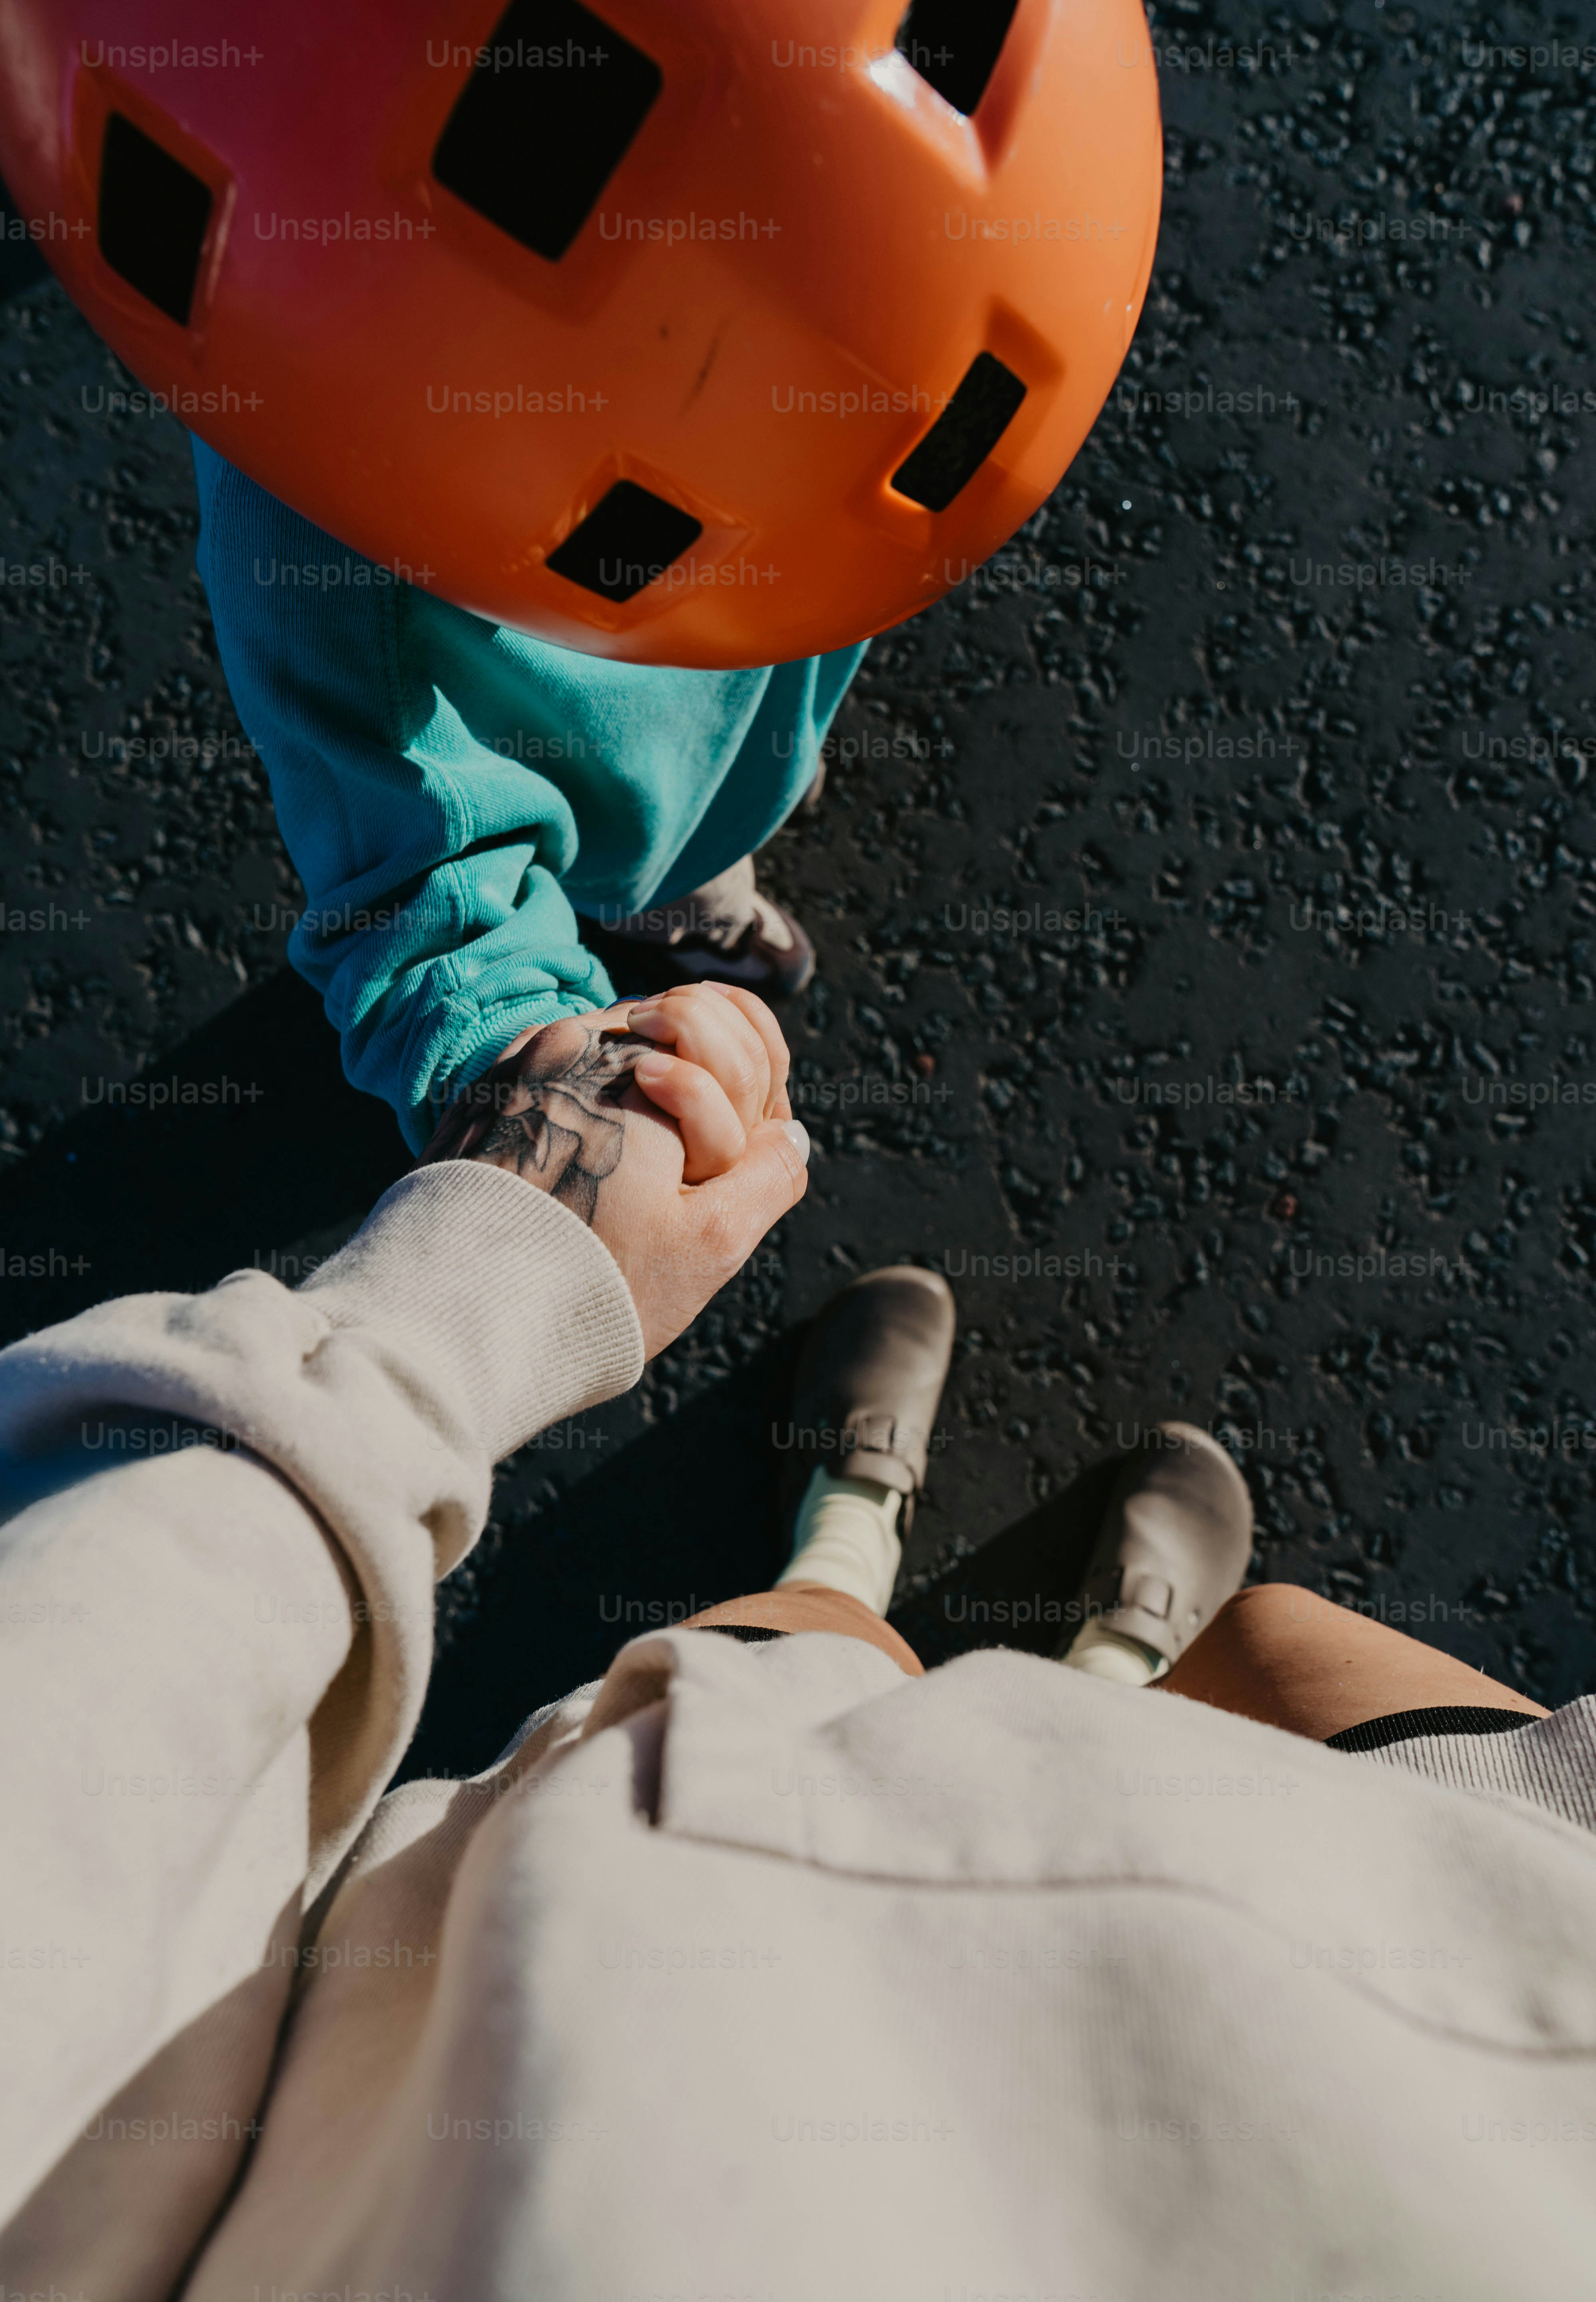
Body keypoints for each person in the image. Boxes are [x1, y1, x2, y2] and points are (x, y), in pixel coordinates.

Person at [2, 988, 1592, 2301]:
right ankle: (1093, 1674)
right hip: (1506, 2021)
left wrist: (472, 1279)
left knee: (810, 1668)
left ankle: (847, 1540)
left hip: (688, 1983)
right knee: (1279, 1639)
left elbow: (62, 1795)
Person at [192, 439, 864, 1154]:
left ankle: (764, 772)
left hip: (774, 654)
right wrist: (549, 1098)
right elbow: (425, 910)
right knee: (688, 864)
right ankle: (674, 907)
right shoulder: (311, 497)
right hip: (637, 808)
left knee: (769, 752)